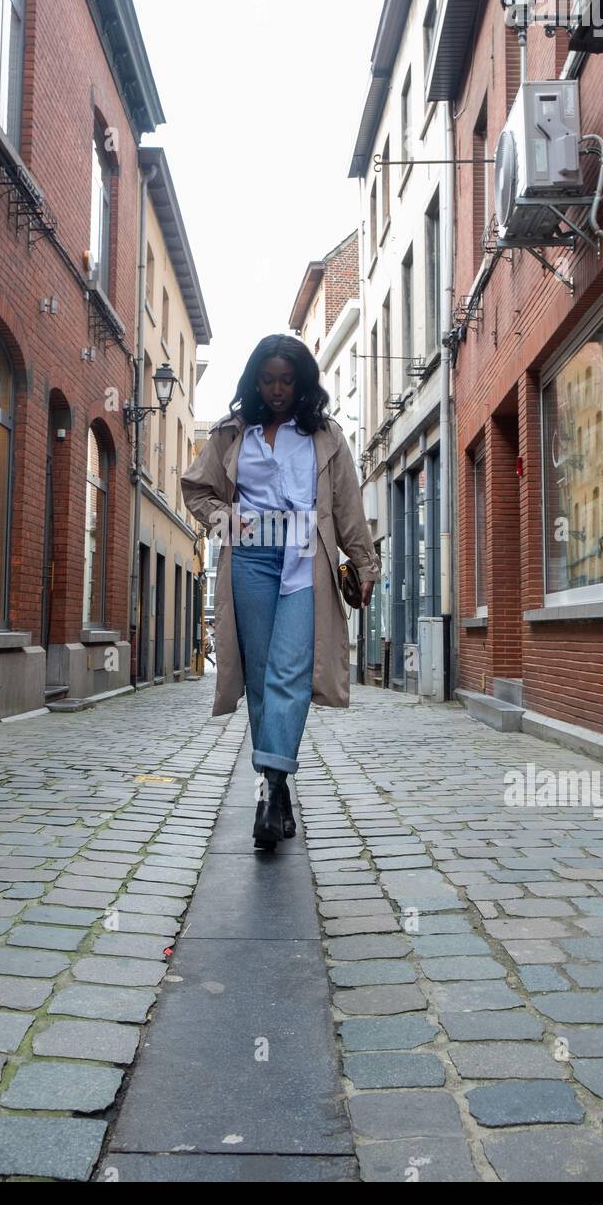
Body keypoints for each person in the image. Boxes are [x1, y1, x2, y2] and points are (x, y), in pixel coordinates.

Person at [181, 334, 381, 851]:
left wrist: (363, 564)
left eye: (286, 380)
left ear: (302, 383)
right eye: (268, 380)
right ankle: (278, 787)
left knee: (291, 670)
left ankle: (269, 790)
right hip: (249, 558)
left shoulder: (326, 436)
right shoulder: (232, 433)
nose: (276, 389)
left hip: (305, 559)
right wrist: (228, 520)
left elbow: (347, 508)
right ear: (255, 380)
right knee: (261, 673)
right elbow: (196, 489)